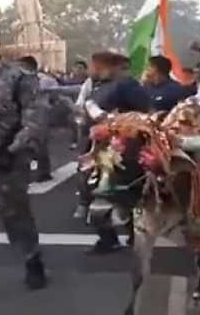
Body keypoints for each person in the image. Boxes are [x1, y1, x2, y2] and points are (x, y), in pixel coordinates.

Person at [0, 21, 47, 289]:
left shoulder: (19, 77)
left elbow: (35, 121)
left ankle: (32, 260)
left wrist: (10, 150)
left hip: (7, 161)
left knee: (15, 216)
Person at [80, 50, 151, 254]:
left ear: (106, 66)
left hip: (121, 150)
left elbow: (143, 114)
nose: (91, 69)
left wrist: (115, 124)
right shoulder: (100, 85)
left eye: (94, 65)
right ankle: (110, 237)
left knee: (124, 192)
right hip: (98, 147)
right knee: (101, 191)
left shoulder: (128, 85)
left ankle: (130, 235)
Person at [18, 56, 56, 183]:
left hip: (40, 115)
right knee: (24, 145)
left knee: (39, 145)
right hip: (23, 115)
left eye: (21, 65)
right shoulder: (18, 80)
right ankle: (26, 172)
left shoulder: (44, 80)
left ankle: (44, 172)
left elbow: (55, 94)